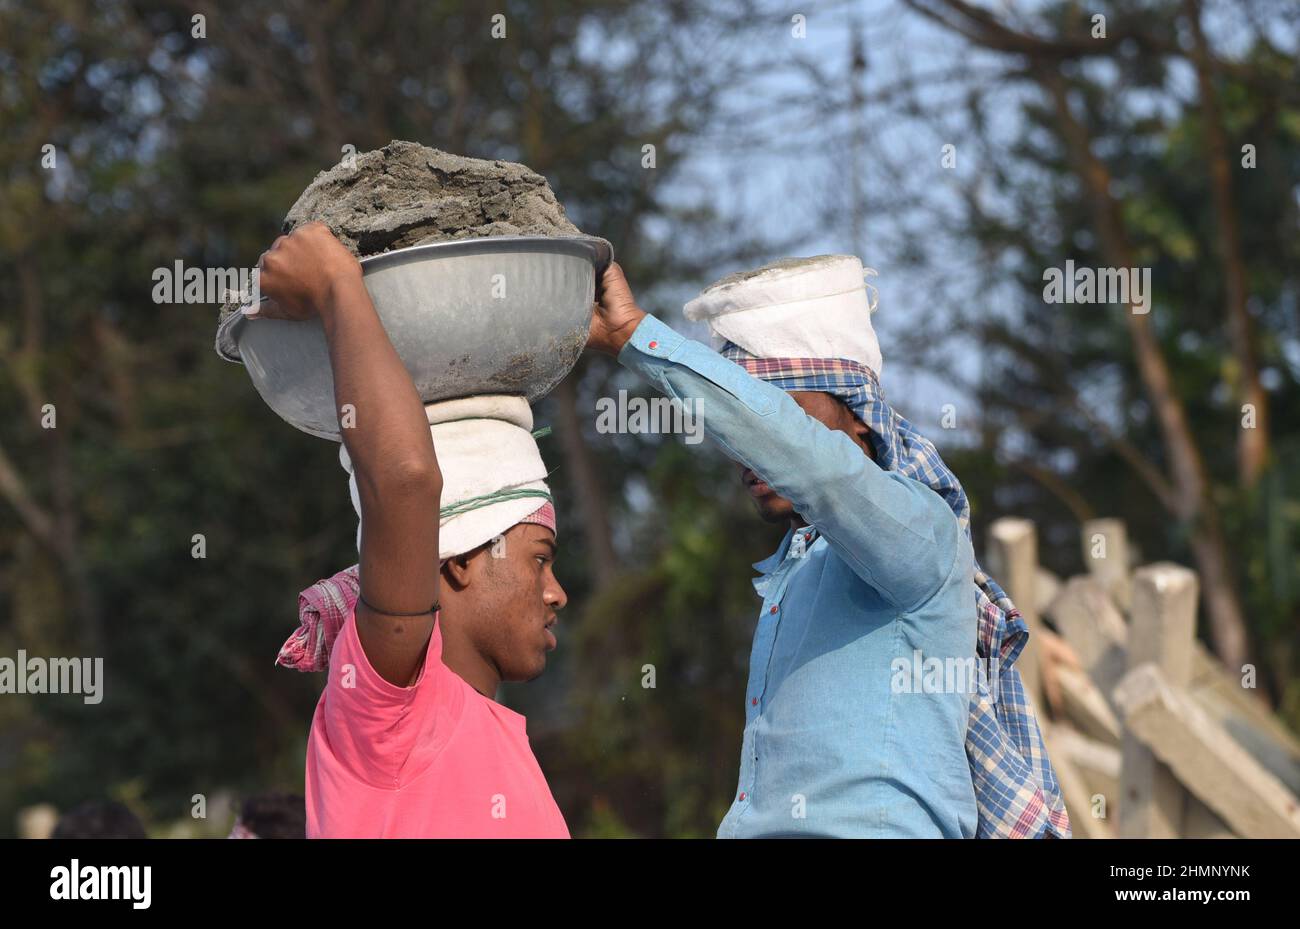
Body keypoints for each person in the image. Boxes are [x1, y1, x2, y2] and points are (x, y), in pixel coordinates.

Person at [587, 255, 1070, 838]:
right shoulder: (794, 574)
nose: (751, 451)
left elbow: (819, 471)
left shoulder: (923, 532)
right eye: (745, 427)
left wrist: (637, 338)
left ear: (859, 422)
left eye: (780, 416)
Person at [252, 223, 569, 838]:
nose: (556, 592)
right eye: (540, 559)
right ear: (456, 558)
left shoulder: (498, 741)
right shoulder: (390, 706)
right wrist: (337, 283)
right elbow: (404, 483)